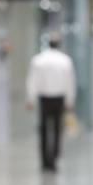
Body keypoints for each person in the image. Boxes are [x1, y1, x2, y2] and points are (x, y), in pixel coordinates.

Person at [25, 35, 76, 173]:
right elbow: (70, 82)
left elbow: (32, 80)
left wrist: (30, 99)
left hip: (44, 98)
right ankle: (54, 158)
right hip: (59, 98)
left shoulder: (38, 60)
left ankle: (45, 161)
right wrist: (70, 101)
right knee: (57, 129)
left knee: (44, 129)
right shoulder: (65, 61)